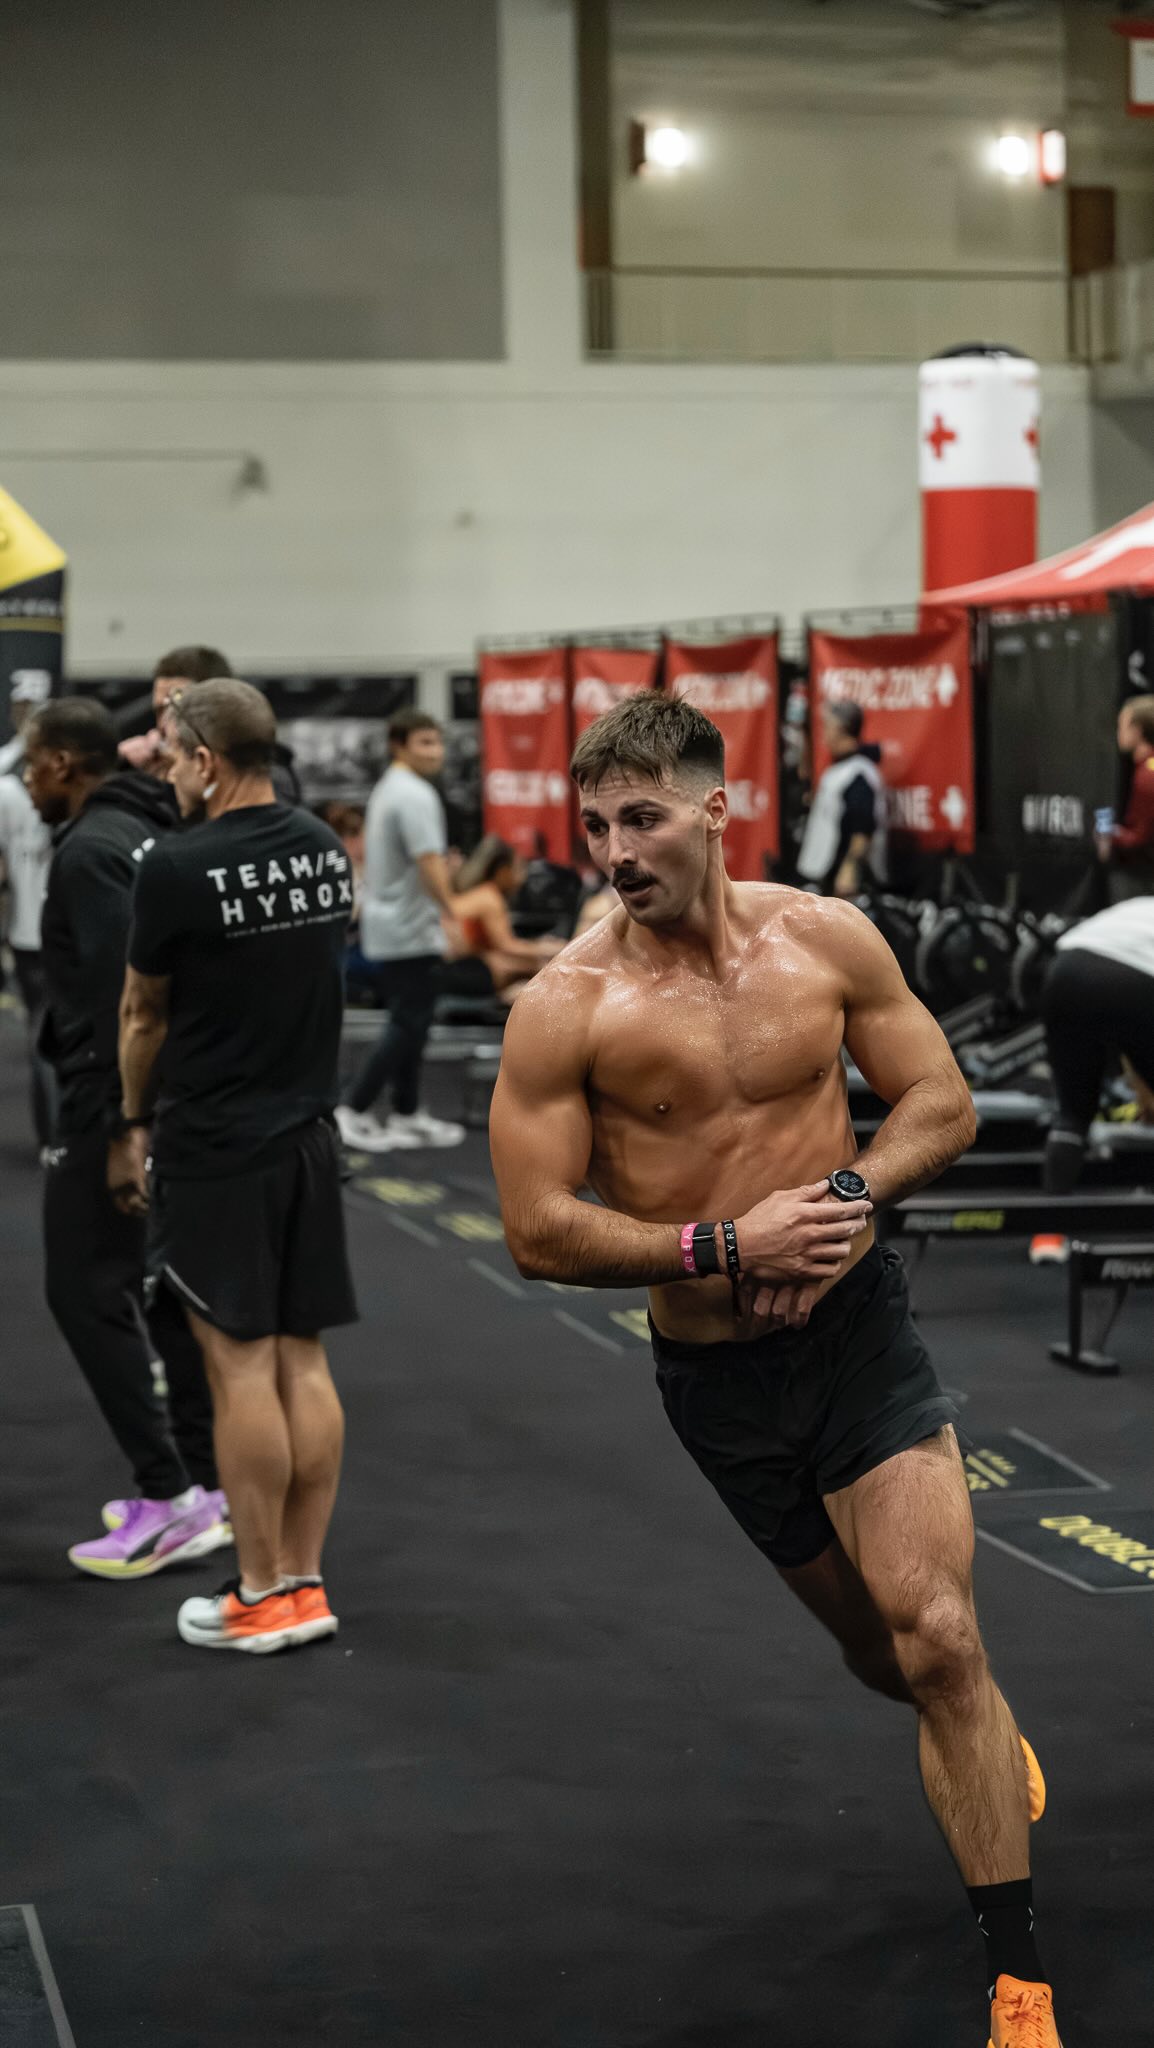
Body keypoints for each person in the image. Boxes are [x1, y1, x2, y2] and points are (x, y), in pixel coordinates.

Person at [489, 692, 1061, 2048]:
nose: (614, 851)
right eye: (595, 825)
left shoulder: (825, 937)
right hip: (719, 1383)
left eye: (640, 818)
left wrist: (850, 1198)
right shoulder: (567, 1004)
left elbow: (939, 1101)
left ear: (715, 807)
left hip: (859, 1338)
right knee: (875, 1649)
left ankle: (1018, 1978)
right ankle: (970, 1730)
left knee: (937, 1633)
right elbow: (534, 1230)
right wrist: (722, 1242)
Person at [112, 679, 357, 1654]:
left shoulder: (175, 863)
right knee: (303, 1356)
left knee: (240, 1364)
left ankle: (258, 1593)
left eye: (175, 754)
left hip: (216, 1144)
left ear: (207, 761)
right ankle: (302, 1582)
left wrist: (133, 1120)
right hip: (309, 1138)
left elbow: (142, 1013)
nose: (169, 769)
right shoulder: (324, 844)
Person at [22, 698, 227, 1577]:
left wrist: (120, 1129)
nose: (27, 782)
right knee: (157, 1294)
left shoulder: (91, 849)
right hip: (169, 1097)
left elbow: (126, 1000)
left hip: (116, 1105)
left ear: (63, 765)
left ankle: (171, 1496)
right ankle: (203, 1487)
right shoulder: (144, 827)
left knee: (83, 1292)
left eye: (32, 766)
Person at [335, 707, 465, 1154]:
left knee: (413, 1022)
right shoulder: (413, 794)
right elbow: (429, 861)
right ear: (399, 746)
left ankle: (406, 1112)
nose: (436, 752)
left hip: (393, 923)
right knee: (408, 1021)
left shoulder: (391, 788)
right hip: (408, 926)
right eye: (425, 743)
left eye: (438, 742)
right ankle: (353, 1107)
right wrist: (452, 914)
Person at [1041, 895, 1154, 1192]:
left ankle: (1052, 1207)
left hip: (1066, 969)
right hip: (1135, 976)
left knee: (1073, 1114)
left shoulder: (1140, 905)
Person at [0, 679, 55, 1146]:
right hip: (30, 932)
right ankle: (54, 1136)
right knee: (46, 1034)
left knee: (52, 1036)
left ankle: (57, 1136)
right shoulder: (6, 784)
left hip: (57, 932)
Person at [444, 834, 563, 1003]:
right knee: (542, 967)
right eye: (518, 868)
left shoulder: (480, 894)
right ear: (503, 871)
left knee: (523, 965)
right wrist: (549, 948)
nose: (522, 877)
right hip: (459, 970)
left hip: (456, 967)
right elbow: (506, 945)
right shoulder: (489, 897)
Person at [797, 698, 887, 899]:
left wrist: (849, 868)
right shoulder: (839, 770)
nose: (824, 734)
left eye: (827, 727)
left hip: (844, 886)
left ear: (841, 729)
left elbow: (862, 828)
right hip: (824, 879)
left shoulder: (859, 774)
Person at [1097, 693, 1154, 899]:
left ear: (1137, 730)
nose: (1118, 733)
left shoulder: (1147, 775)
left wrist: (1108, 835)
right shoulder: (1147, 768)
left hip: (1141, 876)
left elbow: (1140, 837)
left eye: (1122, 726)